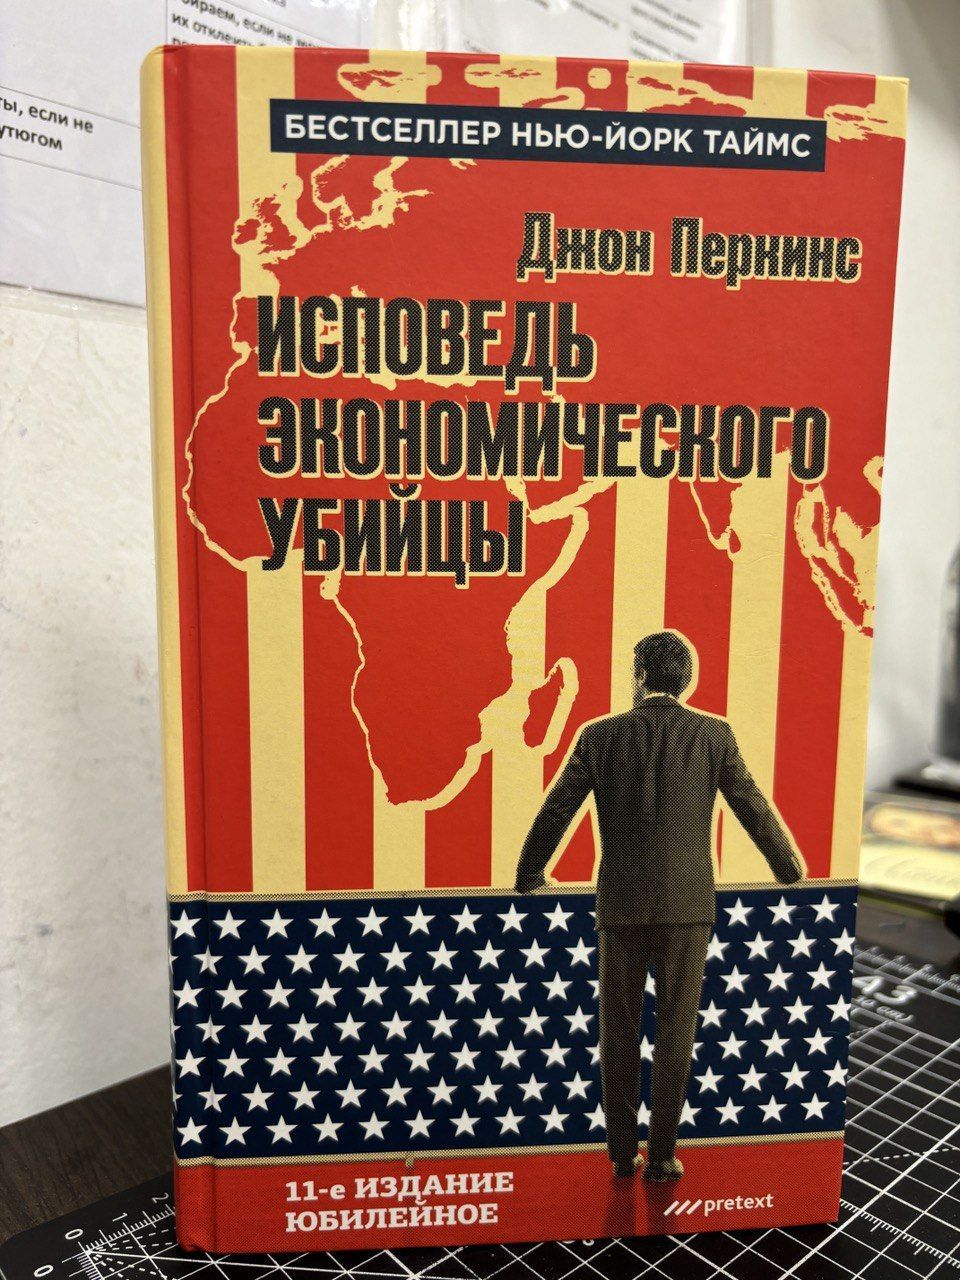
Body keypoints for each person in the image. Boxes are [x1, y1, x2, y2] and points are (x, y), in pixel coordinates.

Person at [514, 630, 805, 1182]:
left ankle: (622, 1153)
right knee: (676, 1031)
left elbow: (557, 809)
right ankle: (664, 1155)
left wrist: (530, 873)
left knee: (618, 1030)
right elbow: (752, 806)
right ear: (686, 679)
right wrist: (788, 868)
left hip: (621, 905)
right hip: (688, 905)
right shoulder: (713, 735)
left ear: (641, 675)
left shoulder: (599, 735)